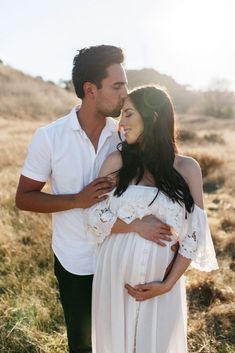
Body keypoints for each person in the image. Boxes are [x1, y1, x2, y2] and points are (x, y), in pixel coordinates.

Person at [15, 47, 174, 353]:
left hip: (123, 258)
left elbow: (158, 177)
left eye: (125, 85)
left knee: (123, 340)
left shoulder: (125, 133)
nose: (126, 93)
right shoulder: (49, 137)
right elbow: (24, 198)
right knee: (83, 344)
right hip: (75, 261)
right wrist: (77, 199)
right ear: (90, 89)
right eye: (117, 86)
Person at [85, 85, 219, 353]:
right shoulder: (116, 162)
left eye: (128, 114)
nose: (120, 123)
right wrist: (135, 226)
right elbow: (93, 215)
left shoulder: (187, 168)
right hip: (114, 279)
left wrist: (167, 285)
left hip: (160, 287)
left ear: (153, 117)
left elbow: (195, 234)